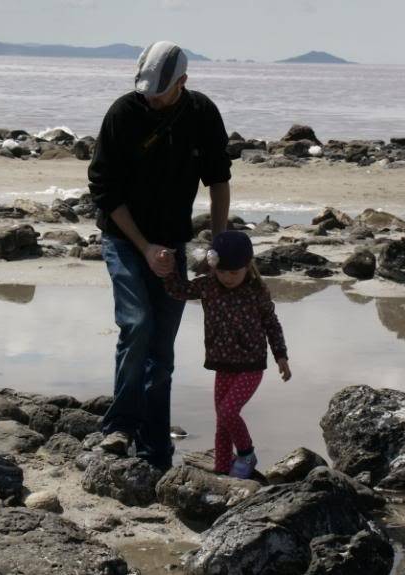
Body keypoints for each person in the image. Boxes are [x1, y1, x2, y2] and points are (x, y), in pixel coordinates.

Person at [89, 40, 232, 470]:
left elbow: (219, 180)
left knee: (162, 352)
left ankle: (156, 452)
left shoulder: (201, 114)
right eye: (146, 88)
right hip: (124, 239)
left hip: (172, 244)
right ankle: (119, 428)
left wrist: (218, 244)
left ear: (183, 82)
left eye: (161, 91)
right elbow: (103, 187)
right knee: (137, 324)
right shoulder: (122, 113)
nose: (151, 97)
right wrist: (144, 247)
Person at [163, 230, 291, 478]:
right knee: (222, 423)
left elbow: (271, 323)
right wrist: (168, 269)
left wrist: (281, 355)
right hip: (222, 364)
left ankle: (246, 454)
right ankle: (222, 470)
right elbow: (178, 290)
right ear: (213, 267)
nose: (228, 278)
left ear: (247, 266)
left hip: (251, 365)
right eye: (222, 271)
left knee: (228, 412)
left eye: (234, 272)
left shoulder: (257, 291)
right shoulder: (208, 286)